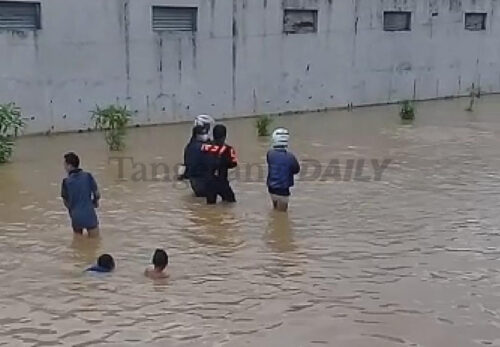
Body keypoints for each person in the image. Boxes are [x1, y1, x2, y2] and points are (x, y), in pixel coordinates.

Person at [61, 152, 101, 237]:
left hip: (76, 217)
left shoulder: (66, 182)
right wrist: (95, 202)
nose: (64, 167)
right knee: (95, 242)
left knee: (78, 243)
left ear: (69, 166)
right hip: (89, 214)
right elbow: (97, 193)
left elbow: (65, 200)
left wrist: (72, 209)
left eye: (64, 164)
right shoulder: (88, 176)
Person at [202, 124, 238, 204]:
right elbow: (234, 163)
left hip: (208, 182)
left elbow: (201, 161)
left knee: (210, 207)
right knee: (231, 203)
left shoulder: (205, 147)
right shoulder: (228, 149)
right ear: (225, 136)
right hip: (222, 182)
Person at [266, 128, 300, 212]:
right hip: (283, 189)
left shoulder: (270, 153)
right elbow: (296, 169)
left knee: (275, 209)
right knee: (282, 214)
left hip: (271, 187)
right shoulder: (290, 156)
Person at [180, 125, 210, 197]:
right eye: (203, 133)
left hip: (194, 181)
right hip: (203, 180)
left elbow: (187, 164)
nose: (205, 135)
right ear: (197, 135)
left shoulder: (189, 146)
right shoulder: (201, 147)